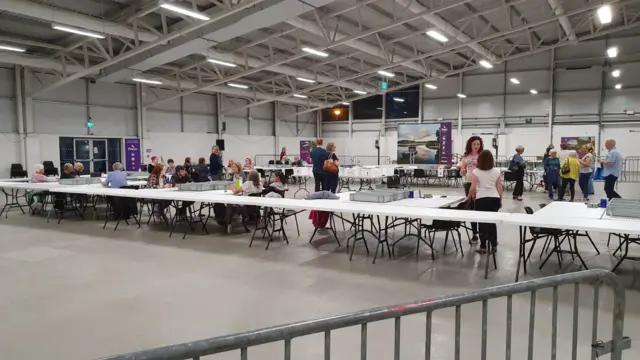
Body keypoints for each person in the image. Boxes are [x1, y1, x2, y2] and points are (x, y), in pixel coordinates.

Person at [466, 150, 502, 254]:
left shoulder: (476, 171)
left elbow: (473, 189)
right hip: (494, 198)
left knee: (482, 223)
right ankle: (494, 244)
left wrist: (468, 198)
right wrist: (500, 200)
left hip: (481, 199)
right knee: (492, 223)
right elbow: (499, 187)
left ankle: (483, 246)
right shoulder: (496, 171)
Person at [457, 136, 483, 242]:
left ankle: (484, 233)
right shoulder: (466, 156)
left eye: (478, 144)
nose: (476, 146)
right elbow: (462, 170)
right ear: (470, 145)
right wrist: (462, 171)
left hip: (480, 184)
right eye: (474, 144)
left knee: (481, 207)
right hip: (468, 183)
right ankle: (475, 233)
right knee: (472, 207)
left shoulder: (482, 155)